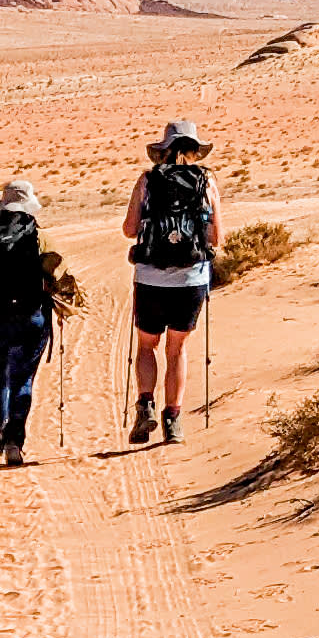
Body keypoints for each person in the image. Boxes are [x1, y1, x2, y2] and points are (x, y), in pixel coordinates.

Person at [123, 120, 219, 445]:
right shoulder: (206, 181)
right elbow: (216, 236)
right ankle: (173, 421)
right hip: (190, 279)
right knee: (176, 350)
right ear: (194, 149)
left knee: (147, 345)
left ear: (163, 149)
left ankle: (146, 404)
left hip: (150, 277)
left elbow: (129, 228)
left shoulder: (148, 180)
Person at [0, 179, 59, 466]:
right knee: (23, 379)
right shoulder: (38, 236)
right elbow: (59, 272)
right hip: (32, 315)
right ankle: (15, 439)